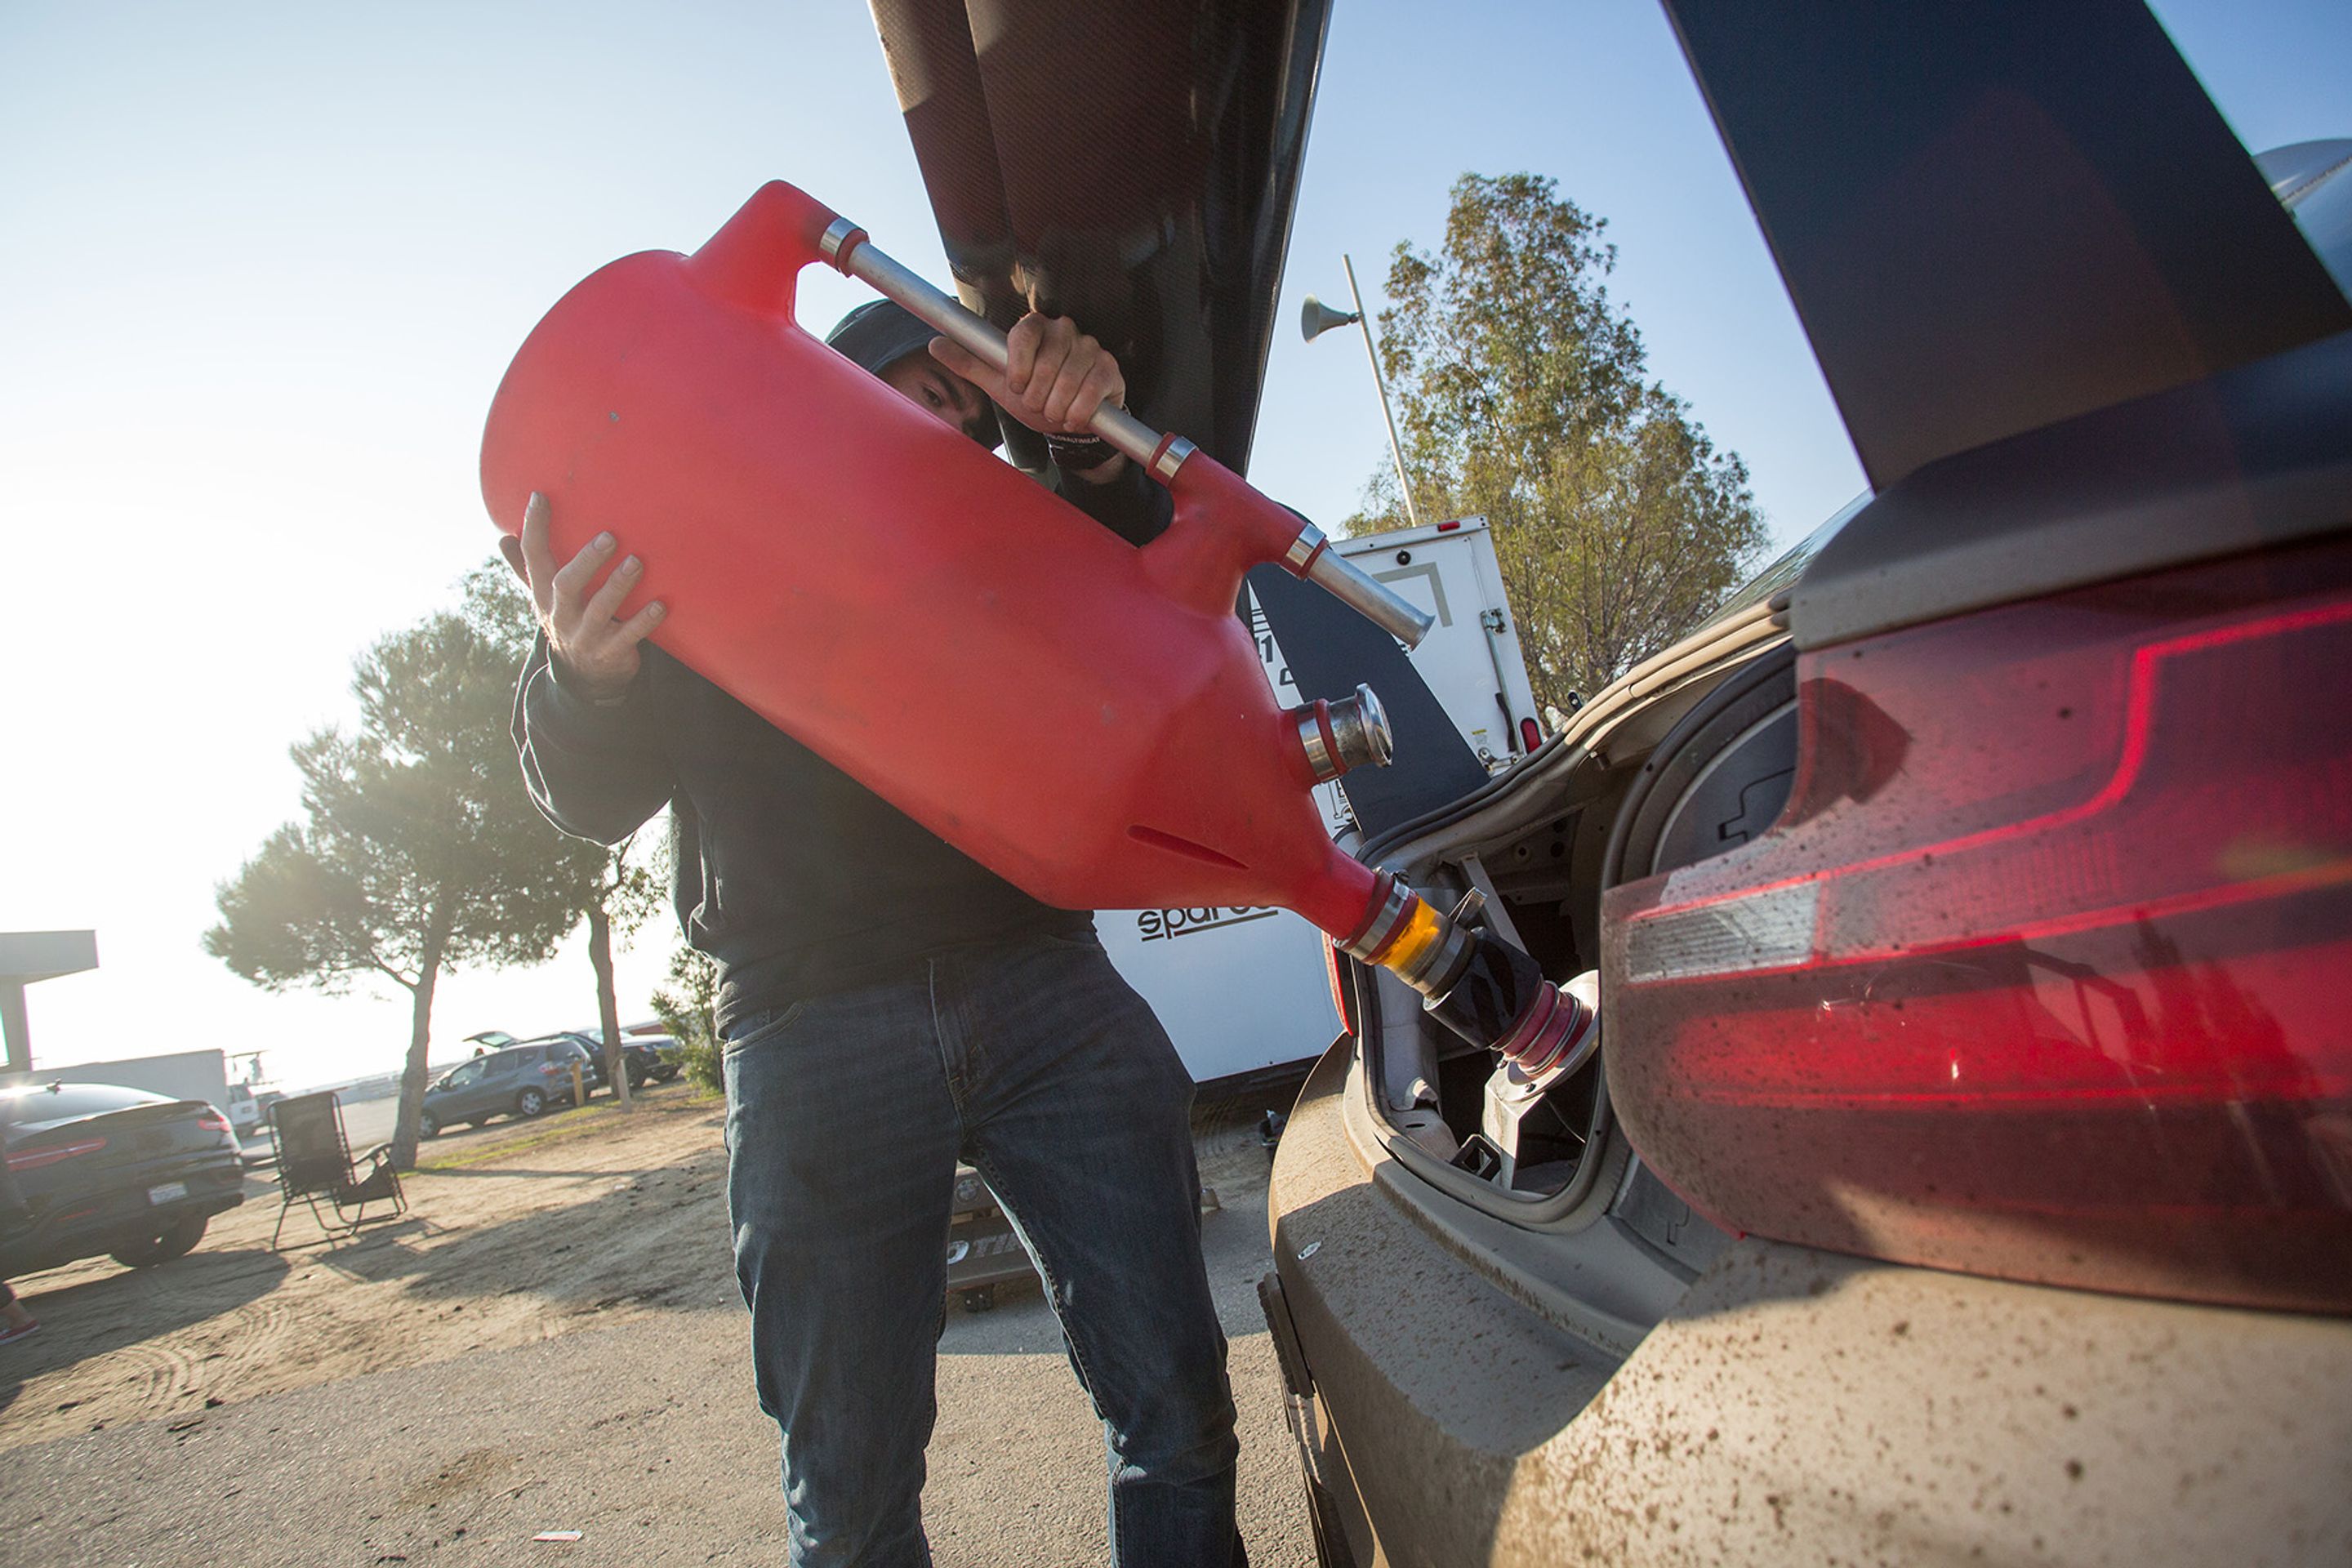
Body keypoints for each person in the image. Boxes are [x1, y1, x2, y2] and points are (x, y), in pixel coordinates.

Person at [504, 302, 1244, 1567]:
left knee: (1176, 1404)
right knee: (847, 1491)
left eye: (969, 397)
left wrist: (1088, 445)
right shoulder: (702, 542)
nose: (946, 412)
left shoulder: (1015, 538)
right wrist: (583, 675)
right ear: (817, 407)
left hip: (1042, 981)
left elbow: (1147, 593)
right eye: (908, 386)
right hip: (808, 1017)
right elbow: (589, 799)